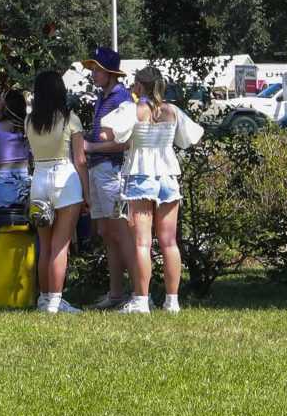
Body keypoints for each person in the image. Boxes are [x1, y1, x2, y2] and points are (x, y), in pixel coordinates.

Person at [119, 65, 199, 313]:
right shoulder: (172, 111)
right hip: (167, 175)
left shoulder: (134, 110)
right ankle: (172, 300)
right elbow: (190, 138)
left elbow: (114, 134)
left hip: (141, 174)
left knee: (143, 243)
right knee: (169, 242)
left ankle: (142, 300)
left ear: (140, 86)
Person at [25, 68, 87, 314]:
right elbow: (80, 160)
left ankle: (44, 298)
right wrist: (88, 195)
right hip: (65, 178)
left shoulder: (30, 120)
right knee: (60, 246)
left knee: (45, 245)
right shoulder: (70, 118)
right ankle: (55, 301)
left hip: (38, 179)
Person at [81, 46, 138, 308]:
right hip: (98, 169)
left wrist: (90, 147)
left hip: (112, 171)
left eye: (97, 69)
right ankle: (116, 294)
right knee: (107, 232)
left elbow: (123, 143)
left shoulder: (121, 99)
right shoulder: (104, 97)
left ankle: (139, 295)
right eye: (92, 68)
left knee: (121, 233)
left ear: (110, 73)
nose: (93, 73)